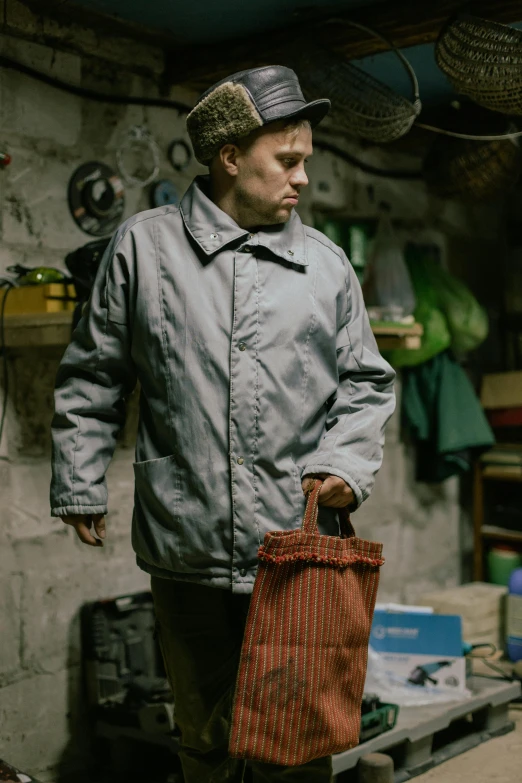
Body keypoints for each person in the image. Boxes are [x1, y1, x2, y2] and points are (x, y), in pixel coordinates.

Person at [50, 65, 396, 782]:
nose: (303, 178)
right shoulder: (144, 249)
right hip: (188, 546)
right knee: (203, 739)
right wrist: (79, 480)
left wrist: (347, 463)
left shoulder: (326, 266)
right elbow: (94, 373)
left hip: (295, 552)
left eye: (306, 160)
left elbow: (367, 382)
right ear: (230, 155)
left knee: (296, 746)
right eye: (288, 160)